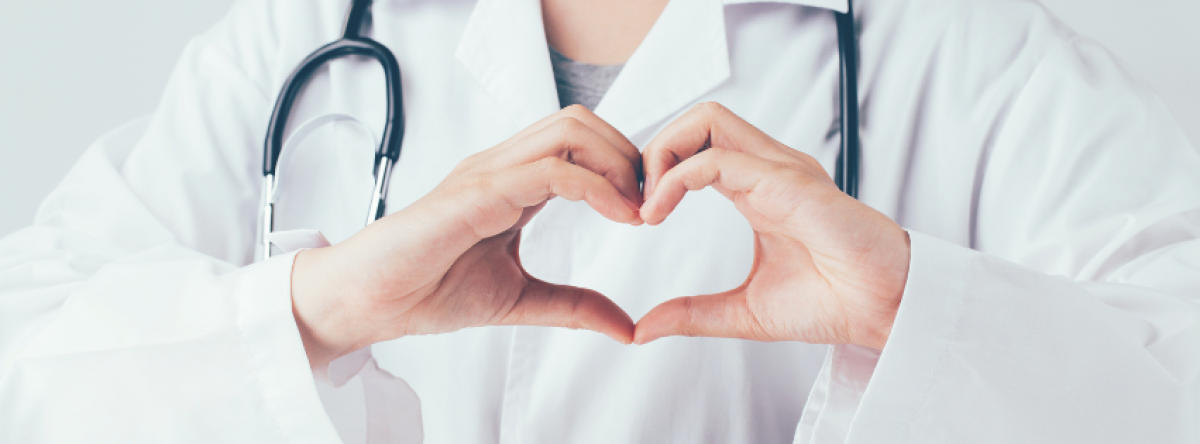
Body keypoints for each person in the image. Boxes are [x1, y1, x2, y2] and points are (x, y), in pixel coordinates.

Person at [1, 0, 1197, 442]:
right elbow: (27, 368)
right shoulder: (296, 42)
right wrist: (316, 308)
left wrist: (919, 309)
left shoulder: (977, 57)